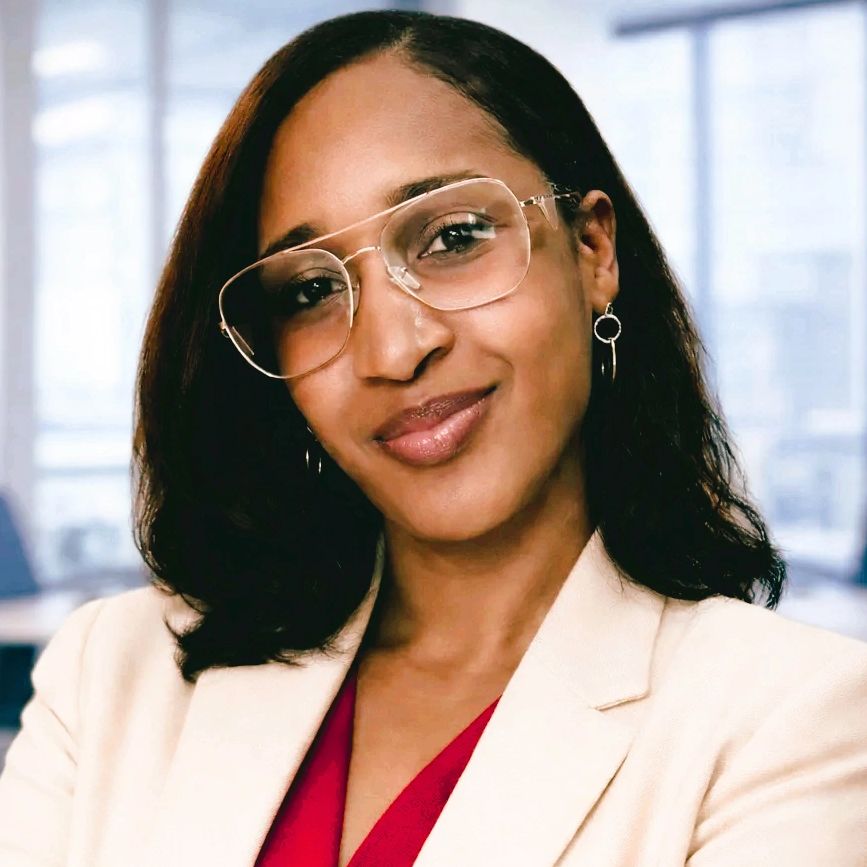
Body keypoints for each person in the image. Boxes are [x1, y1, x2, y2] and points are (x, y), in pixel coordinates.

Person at [0, 9, 865, 866]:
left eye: (452, 238)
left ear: (593, 250)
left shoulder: (786, 718)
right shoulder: (111, 674)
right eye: (310, 290)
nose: (393, 349)